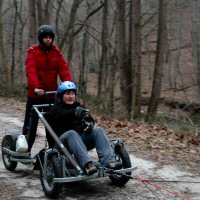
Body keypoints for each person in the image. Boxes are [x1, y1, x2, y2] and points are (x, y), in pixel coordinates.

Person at [49, 81, 122, 175]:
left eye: (72, 94)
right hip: (62, 143)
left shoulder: (79, 106)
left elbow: (90, 118)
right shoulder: (56, 109)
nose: (71, 96)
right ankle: (87, 165)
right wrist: (74, 112)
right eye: (67, 94)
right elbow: (59, 116)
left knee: (98, 130)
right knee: (72, 133)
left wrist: (89, 124)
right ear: (61, 96)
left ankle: (109, 162)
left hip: (80, 142)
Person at [22, 25, 72, 152]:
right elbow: (31, 71)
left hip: (51, 95)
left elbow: (64, 71)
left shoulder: (56, 54)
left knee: (52, 125)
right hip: (35, 96)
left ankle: (53, 152)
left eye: (50, 37)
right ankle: (25, 149)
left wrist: (69, 87)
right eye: (45, 37)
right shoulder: (33, 53)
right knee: (30, 125)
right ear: (40, 39)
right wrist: (36, 87)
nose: (48, 40)